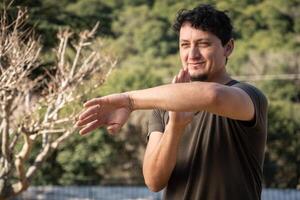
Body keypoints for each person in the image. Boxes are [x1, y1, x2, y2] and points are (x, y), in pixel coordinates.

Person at [75, 4, 268, 200]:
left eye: (203, 44)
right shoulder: (163, 106)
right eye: (185, 45)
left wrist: (130, 101)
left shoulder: (249, 96)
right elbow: (154, 182)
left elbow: (213, 96)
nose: (192, 55)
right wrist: (175, 126)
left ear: (228, 47)